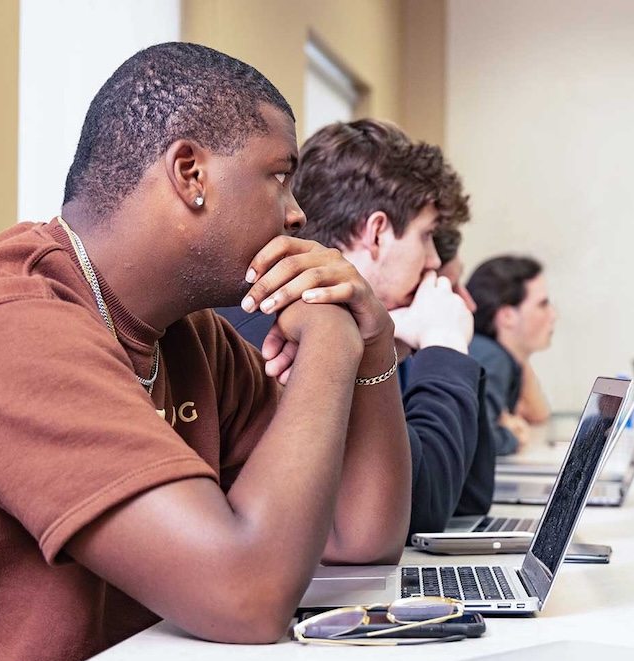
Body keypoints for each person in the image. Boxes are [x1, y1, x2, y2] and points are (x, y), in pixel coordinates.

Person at [0, 43, 411, 661]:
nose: (296, 217)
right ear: (190, 173)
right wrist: (331, 346)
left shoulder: (190, 337)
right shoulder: (6, 327)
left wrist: (371, 339)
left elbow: (358, 537)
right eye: (279, 178)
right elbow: (246, 596)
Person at [217, 119, 494, 536]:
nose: (435, 261)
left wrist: (402, 344)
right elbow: (422, 506)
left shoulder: (362, 323)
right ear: (377, 233)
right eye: (426, 236)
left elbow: (468, 499)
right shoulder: (281, 324)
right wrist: (446, 346)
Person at [466, 255, 557, 456]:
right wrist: (511, 436)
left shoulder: (490, 352)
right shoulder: (492, 358)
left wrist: (521, 355)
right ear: (507, 316)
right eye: (542, 304)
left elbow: (538, 415)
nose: (553, 315)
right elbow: (478, 441)